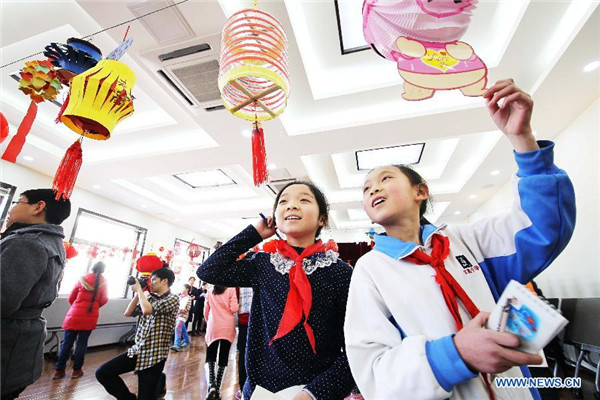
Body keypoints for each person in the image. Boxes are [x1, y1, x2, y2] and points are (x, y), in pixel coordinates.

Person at [344, 79, 576, 400]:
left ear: (420, 192)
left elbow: (542, 230)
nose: (374, 189)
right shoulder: (370, 269)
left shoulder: (467, 241)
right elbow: (373, 372)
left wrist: (521, 139)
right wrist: (455, 355)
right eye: (367, 188)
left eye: (385, 178)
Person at [197, 181, 355, 400]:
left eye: (304, 200)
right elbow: (209, 270)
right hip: (261, 390)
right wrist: (253, 233)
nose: (291, 206)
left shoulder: (340, 272)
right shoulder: (263, 264)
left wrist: (315, 393)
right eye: (283, 201)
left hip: (316, 391)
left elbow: (356, 346)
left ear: (323, 218)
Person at [1, 188, 71, 400]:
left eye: (17, 203)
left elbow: (3, 300)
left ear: (38, 207)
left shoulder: (27, 242)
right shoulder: (52, 242)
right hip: (22, 343)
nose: (12, 209)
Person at [95, 267, 179, 400]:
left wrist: (140, 290)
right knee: (103, 373)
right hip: (138, 350)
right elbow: (128, 313)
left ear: (164, 281)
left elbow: (147, 310)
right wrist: (139, 293)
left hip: (155, 355)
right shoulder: (149, 298)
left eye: (154, 279)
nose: (151, 282)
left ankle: (159, 382)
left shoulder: (173, 299)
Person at [53, 261, 109, 379]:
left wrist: (77, 306)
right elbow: (104, 299)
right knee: (82, 344)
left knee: (66, 343)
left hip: (74, 314)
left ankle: (59, 370)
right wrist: (94, 306)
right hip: (90, 316)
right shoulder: (103, 283)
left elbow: (71, 297)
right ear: (103, 270)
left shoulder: (82, 279)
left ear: (93, 268)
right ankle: (76, 371)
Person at [203, 285, 239, 400]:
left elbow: (206, 311)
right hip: (227, 326)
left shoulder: (210, 290)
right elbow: (234, 308)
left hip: (213, 325)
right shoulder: (231, 289)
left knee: (210, 356)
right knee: (223, 358)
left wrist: (210, 322)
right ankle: (217, 390)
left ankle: (211, 385)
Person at [235, 286, 253, 400]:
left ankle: (243, 388)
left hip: (244, 320)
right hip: (260, 319)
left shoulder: (240, 275)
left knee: (243, 354)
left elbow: (235, 300)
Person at [171, 284, 192, 351]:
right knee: (182, 329)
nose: (181, 289)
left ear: (187, 289)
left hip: (183, 316)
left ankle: (176, 344)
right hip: (176, 315)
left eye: (182, 288)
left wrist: (179, 310)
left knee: (178, 327)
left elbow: (187, 309)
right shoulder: (178, 296)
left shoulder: (188, 298)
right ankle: (186, 341)